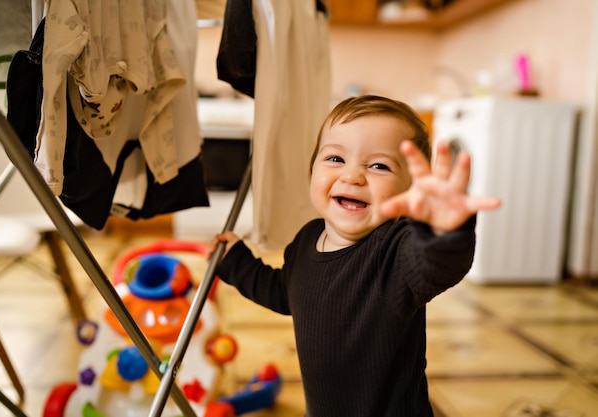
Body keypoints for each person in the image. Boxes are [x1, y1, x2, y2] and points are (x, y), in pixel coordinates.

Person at [209, 94, 501, 417]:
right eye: (335, 159)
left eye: (379, 166)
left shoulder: (396, 252)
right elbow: (287, 291)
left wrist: (444, 232)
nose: (352, 176)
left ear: (409, 190)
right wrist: (236, 262)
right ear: (312, 169)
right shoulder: (307, 239)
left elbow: (436, 266)